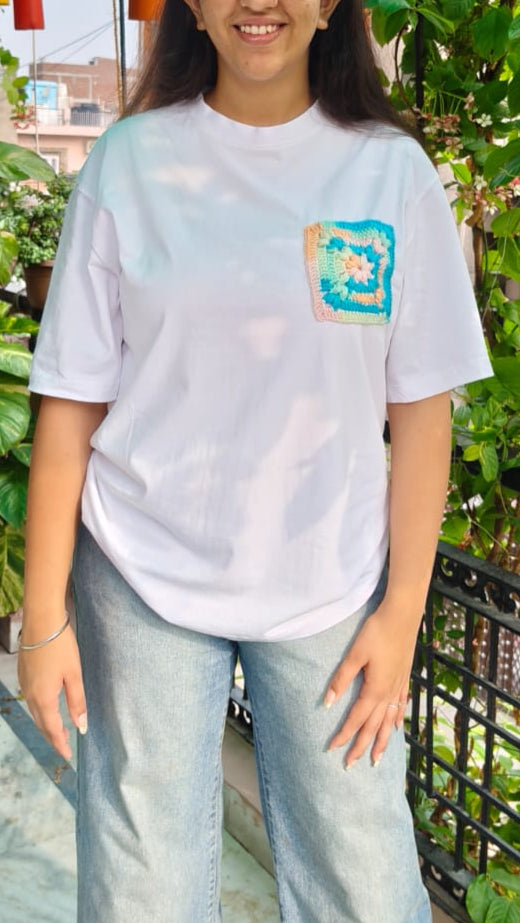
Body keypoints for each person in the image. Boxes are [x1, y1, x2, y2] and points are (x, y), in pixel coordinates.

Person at [18, 0, 492, 920]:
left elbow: (422, 415)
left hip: (331, 578)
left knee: (365, 882)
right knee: (138, 889)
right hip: (140, 570)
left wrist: (401, 615)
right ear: (193, 5)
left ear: (328, 8)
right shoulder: (128, 164)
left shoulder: (389, 176)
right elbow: (70, 402)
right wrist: (42, 620)